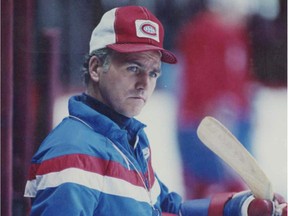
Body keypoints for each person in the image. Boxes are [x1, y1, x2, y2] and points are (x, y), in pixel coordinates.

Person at [24, 6, 286, 216]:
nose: (144, 84)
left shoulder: (130, 142)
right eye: (133, 68)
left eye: (153, 73)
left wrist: (240, 208)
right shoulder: (74, 153)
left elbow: (166, 209)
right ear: (95, 68)